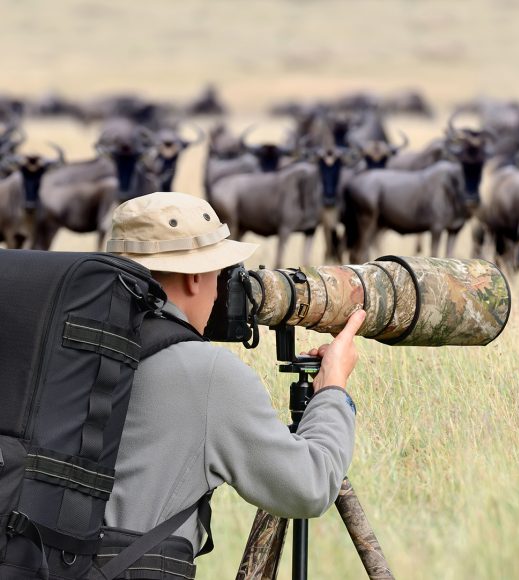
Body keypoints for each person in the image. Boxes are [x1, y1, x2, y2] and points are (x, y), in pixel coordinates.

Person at [102, 191, 365, 569]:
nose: (222, 287)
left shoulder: (73, 342)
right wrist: (333, 389)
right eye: (222, 273)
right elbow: (310, 487)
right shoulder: (207, 374)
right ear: (195, 277)